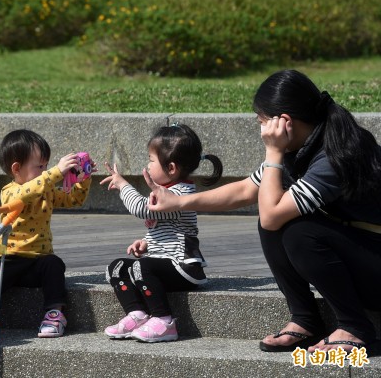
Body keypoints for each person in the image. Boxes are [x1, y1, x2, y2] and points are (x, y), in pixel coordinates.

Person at [144, 69, 381, 354]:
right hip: (365, 256)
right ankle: (305, 319)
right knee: (278, 223)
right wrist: (178, 202)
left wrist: (273, 153)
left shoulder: (334, 156)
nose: (261, 131)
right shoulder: (305, 144)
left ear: (284, 122)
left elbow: (271, 214)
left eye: (262, 122)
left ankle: (355, 327)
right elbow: (246, 190)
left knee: (297, 231)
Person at [0, 129, 94, 338]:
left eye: (46, 166)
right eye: (40, 167)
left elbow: (72, 200)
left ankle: (54, 314)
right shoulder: (10, 191)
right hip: (10, 259)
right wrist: (54, 173)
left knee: (54, 264)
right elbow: (26, 194)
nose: (46, 171)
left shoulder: (47, 190)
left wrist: (82, 179)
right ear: (16, 168)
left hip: (37, 262)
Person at [101, 124, 223, 343]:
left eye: (151, 160)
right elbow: (167, 230)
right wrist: (147, 242)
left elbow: (141, 209)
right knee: (116, 267)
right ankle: (137, 314)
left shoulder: (179, 195)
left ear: (172, 168)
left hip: (183, 268)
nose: (147, 164)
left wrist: (123, 185)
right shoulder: (167, 191)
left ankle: (164, 320)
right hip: (162, 265)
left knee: (141, 266)